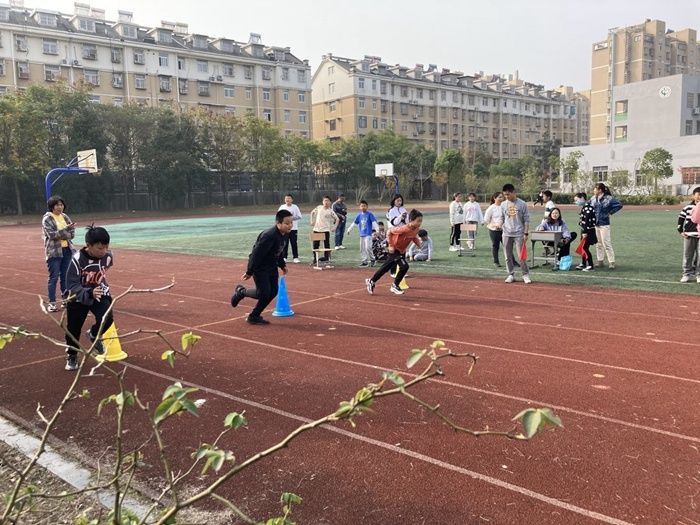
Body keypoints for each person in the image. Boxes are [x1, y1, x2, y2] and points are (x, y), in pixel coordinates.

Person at [230, 210, 293, 325]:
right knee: (263, 293)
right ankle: (241, 292)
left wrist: (282, 265)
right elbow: (255, 254)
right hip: (260, 267)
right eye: (287, 223)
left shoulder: (284, 234)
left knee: (273, 291)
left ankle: (254, 316)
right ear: (278, 223)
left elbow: (278, 251)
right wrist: (249, 271)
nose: (290, 225)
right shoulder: (269, 236)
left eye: (291, 223)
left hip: (272, 266)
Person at [63, 226, 113, 371]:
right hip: (78, 297)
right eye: (99, 248)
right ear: (88, 245)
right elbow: (71, 284)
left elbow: (102, 272)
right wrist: (87, 292)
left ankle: (93, 334)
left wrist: (101, 288)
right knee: (73, 329)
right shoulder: (77, 260)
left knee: (107, 317)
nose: (103, 251)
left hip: (99, 293)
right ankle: (72, 354)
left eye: (105, 247)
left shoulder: (108, 257)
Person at [366, 209, 423, 296]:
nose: (420, 223)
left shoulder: (416, 229)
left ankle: (371, 281)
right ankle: (395, 285)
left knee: (386, 267)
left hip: (401, 251)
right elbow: (389, 231)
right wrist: (391, 245)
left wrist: (418, 243)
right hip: (394, 250)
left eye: (421, 221)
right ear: (411, 220)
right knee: (404, 266)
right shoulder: (404, 228)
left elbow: (413, 236)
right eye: (418, 221)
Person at [42, 195, 76, 312]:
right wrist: (65, 230)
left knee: (65, 277)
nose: (60, 207)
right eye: (57, 205)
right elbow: (52, 235)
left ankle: (65, 300)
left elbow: (72, 234)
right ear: (52, 206)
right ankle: (52, 303)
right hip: (54, 252)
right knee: (54, 277)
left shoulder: (65, 216)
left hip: (67, 250)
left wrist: (64, 231)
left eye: (61, 205)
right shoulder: (47, 219)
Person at [501, 184, 531, 284]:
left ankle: (525, 274)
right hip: (506, 233)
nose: (506, 197)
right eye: (505, 195)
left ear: (514, 192)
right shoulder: (503, 204)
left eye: (508, 194)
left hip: (519, 233)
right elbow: (502, 217)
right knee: (507, 256)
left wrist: (526, 233)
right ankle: (510, 274)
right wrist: (500, 225)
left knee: (521, 256)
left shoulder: (522, 204)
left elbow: (526, 220)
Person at [591, 183, 623, 269]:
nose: (593, 190)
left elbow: (619, 205)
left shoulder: (609, 198)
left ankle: (611, 262)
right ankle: (600, 261)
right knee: (598, 243)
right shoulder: (593, 198)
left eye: (595, 189)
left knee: (606, 243)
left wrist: (610, 213)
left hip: (604, 223)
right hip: (595, 223)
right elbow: (589, 207)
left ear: (600, 190)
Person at [346, 200, 379, 266]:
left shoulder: (370, 214)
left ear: (367, 207)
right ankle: (364, 261)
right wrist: (349, 229)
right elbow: (354, 223)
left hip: (368, 234)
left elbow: (374, 223)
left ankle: (372, 259)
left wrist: (377, 230)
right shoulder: (359, 216)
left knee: (368, 247)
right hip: (362, 234)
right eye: (362, 206)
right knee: (362, 248)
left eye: (364, 206)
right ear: (360, 207)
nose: (363, 207)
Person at [678, 187, 700, 283]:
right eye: (698, 195)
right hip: (689, 235)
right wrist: (680, 230)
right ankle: (686, 274)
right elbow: (681, 218)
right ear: (693, 196)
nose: (699, 197)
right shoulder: (687, 207)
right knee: (688, 255)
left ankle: (698, 274)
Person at [309, 196, 338, 263]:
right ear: (322, 202)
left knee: (326, 244)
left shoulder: (331, 211)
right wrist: (311, 221)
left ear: (330, 202)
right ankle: (315, 259)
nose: (326, 202)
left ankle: (326, 257)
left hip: (325, 230)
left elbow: (337, 219)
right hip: (316, 229)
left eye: (327, 201)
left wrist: (335, 227)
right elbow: (312, 213)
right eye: (325, 200)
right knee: (315, 245)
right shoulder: (319, 207)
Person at [574, 192, 597, 271]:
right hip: (585, 230)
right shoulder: (585, 207)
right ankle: (583, 263)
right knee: (582, 247)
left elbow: (587, 221)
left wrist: (585, 232)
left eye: (577, 200)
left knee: (585, 247)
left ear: (582, 198)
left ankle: (590, 265)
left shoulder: (588, 208)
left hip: (588, 230)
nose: (576, 202)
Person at [278, 193, 302, 263]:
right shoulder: (282, 207)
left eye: (289, 198)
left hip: (293, 228)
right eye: (286, 198)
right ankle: (284, 257)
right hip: (284, 229)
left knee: (294, 243)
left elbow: (300, 216)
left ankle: (295, 257)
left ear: (292, 200)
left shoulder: (295, 207)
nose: (287, 200)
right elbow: (278, 216)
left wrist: (291, 218)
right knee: (284, 243)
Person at [483, 192, 505, 267]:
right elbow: (486, 220)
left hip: (503, 230)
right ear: (494, 198)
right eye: (499, 197)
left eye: (502, 197)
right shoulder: (491, 208)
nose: (501, 198)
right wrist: (495, 225)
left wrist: (502, 224)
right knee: (496, 246)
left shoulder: (503, 206)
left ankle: (513, 261)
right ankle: (496, 262)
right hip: (494, 230)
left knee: (507, 245)